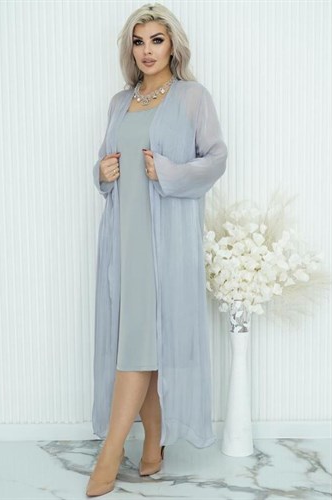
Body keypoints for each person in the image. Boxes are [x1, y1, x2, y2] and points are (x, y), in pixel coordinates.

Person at [87, 2, 228, 497]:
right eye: (138, 41)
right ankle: (153, 442)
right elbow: (107, 165)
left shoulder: (192, 97)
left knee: (142, 341)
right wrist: (101, 174)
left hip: (165, 241)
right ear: (130, 49)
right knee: (138, 339)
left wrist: (167, 171)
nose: (147, 50)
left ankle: (111, 452)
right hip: (122, 240)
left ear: (173, 46)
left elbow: (216, 159)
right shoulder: (119, 103)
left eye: (156, 40)